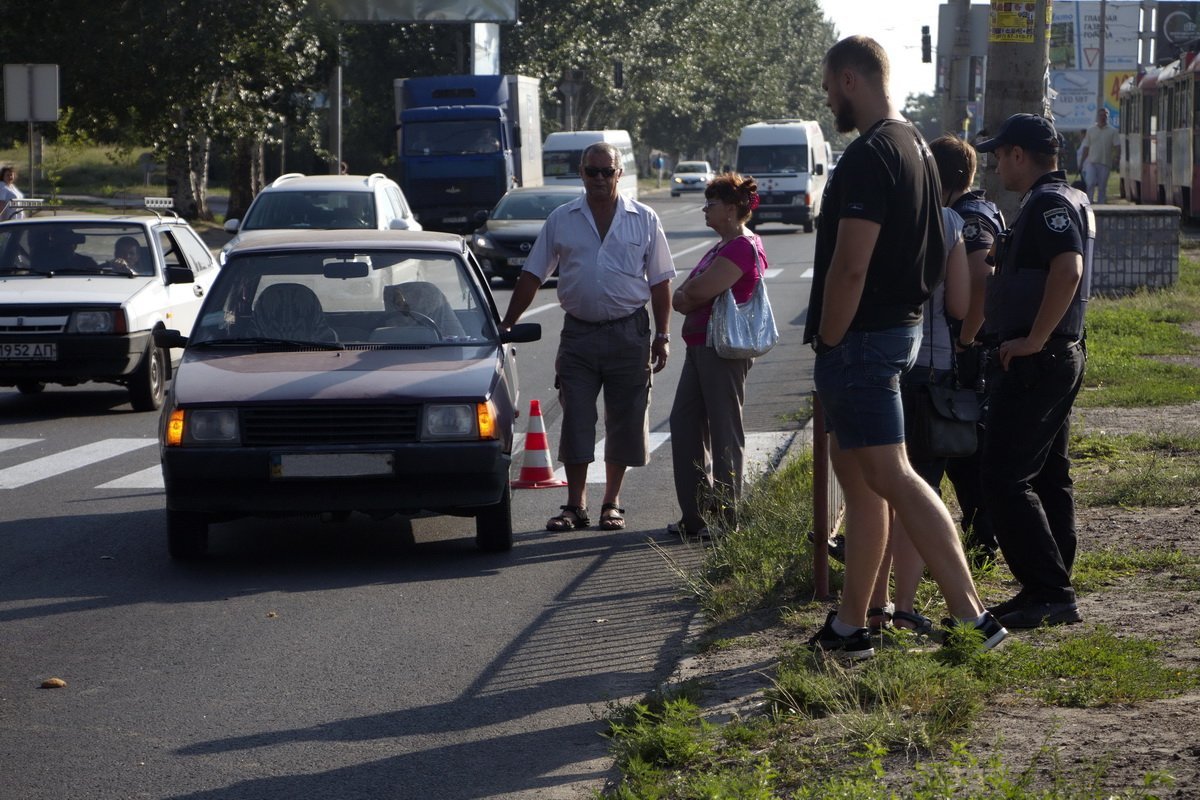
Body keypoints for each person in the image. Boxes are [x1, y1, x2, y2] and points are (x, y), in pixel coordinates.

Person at [803, 35, 1005, 659]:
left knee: (892, 474)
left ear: (850, 80)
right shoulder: (916, 143)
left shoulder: (870, 154)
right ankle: (850, 624)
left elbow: (850, 267)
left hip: (862, 339)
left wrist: (832, 339)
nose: (829, 97)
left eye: (831, 85)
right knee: (864, 487)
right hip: (893, 332)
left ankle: (973, 618)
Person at [501, 142, 675, 533]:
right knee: (577, 416)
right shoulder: (562, 219)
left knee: (625, 420)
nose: (599, 179)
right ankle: (575, 505)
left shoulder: (643, 219)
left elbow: (661, 280)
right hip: (578, 334)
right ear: (581, 173)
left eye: (606, 172)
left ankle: (611, 503)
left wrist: (662, 335)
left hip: (630, 333)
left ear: (619, 174)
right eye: (591, 171)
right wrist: (508, 322)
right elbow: (533, 274)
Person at [973, 113, 1094, 630]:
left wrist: (1035, 339)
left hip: (1038, 361)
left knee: (1001, 476)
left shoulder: (1048, 205)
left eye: (1000, 155)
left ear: (1019, 155)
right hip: (1049, 358)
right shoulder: (1059, 200)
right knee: (1047, 475)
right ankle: (1048, 583)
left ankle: (1049, 590)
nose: (997, 165)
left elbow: (1068, 270)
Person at [868, 198, 969, 635]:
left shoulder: (875, 210)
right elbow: (962, 304)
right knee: (918, 487)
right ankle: (905, 607)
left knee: (874, 489)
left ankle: (872, 604)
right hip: (931, 364)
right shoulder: (949, 221)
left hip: (875, 359)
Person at [668, 173, 766, 540]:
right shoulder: (722, 245)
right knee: (685, 423)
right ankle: (696, 516)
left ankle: (725, 518)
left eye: (711, 204)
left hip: (720, 349)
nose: (705, 210)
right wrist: (686, 295)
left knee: (724, 429)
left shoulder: (742, 245)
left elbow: (697, 292)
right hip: (700, 346)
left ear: (731, 209)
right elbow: (688, 294)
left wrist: (686, 295)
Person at [1079, 108, 1118, 204]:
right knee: (1090, 183)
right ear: (1097, 117)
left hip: (1105, 162)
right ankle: (1089, 203)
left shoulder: (1112, 131)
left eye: (1104, 116)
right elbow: (1086, 147)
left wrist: (1117, 157)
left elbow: (1117, 146)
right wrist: (1081, 162)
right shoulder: (1091, 130)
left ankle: (1101, 204)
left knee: (1102, 186)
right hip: (1091, 162)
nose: (1102, 117)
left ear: (1107, 117)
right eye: (1101, 115)